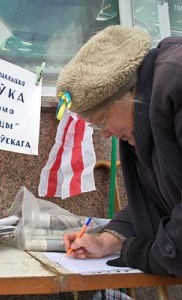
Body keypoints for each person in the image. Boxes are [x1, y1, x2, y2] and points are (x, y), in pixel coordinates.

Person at [58, 25, 182, 277]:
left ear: (125, 95)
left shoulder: (176, 86)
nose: (104, 133)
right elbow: (158, 195)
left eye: (101, 121)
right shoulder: (142, 113)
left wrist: (151, 254)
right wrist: (108, 240)